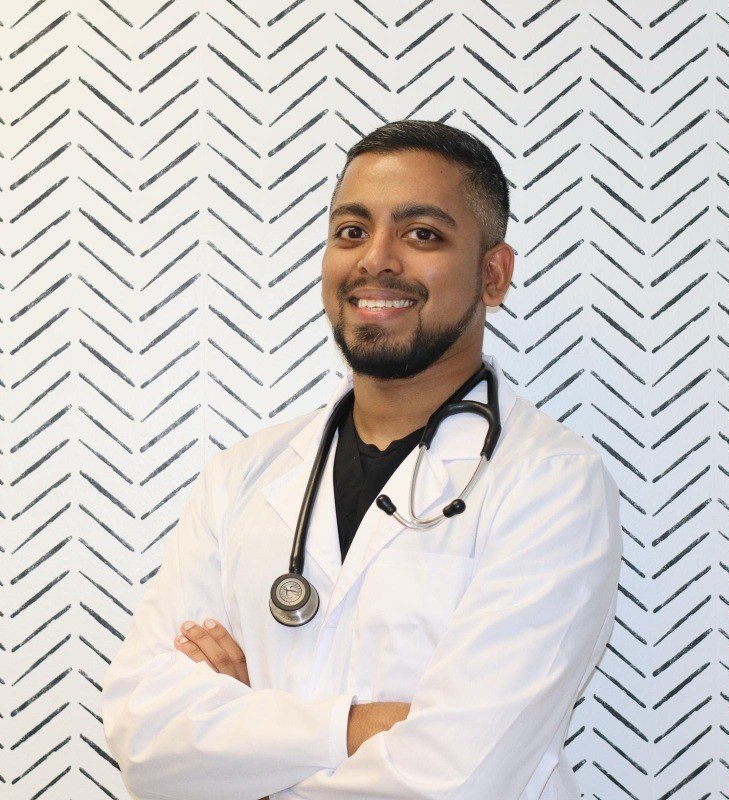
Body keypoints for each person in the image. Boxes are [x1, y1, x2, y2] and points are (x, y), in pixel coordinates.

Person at [101, 120, 623, 800]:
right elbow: (146, 737)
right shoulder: (240, 477)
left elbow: (455, 778)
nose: (376, 259)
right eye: (351, 231)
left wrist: (244, 746)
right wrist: (358, 727)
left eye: (422, 234)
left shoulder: (552, 485)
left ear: (492, 275)